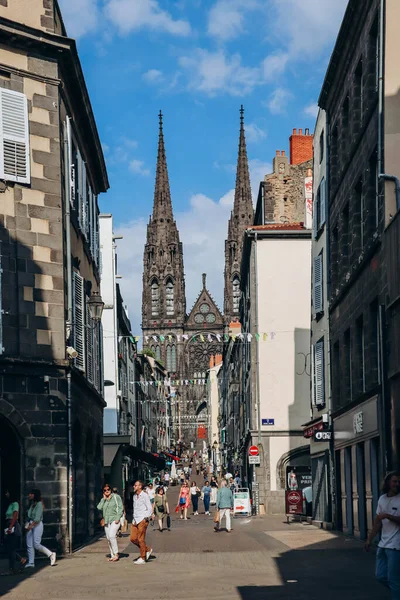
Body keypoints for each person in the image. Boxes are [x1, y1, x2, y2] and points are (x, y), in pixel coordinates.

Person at [365, 471, 400, 599]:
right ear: (388, 483)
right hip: (383, 544)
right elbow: (377, 523)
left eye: (398, 482)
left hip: (396, 546)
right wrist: (369, 539)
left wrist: (388, 516)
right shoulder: (382, 499)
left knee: (394, 579)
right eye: (394, 481)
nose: (397, 484)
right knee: (380, 576)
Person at [24, 489, 56, 568]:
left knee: (36, 544)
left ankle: (51, 554)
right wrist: (27, 525)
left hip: (37, 524)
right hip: (31, 523)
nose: (29, 495)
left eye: (31, 494)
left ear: (34, 495)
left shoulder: (39, 504)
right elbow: (30, 516)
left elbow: (37, 518)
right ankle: (31, 562)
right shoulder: (32, 504)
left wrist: (30, 526)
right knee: (29, 544)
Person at [97, 484, 123, 561]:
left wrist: (118, 518)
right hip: (106, 521)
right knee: (108, 538)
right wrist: (104, 499)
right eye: (104, 490)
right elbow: (99, 507)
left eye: (108, 489)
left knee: (112, 536)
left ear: (111, 490)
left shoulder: (116, 497)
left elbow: (120, 507)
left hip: (115, 519)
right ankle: (112, 555)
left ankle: (116, 554)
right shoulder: (103, 499)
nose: (107, 491)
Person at [130, 480, 153, 565]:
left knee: (140, 539)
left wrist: (145, 518)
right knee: (133, 538)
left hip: (142, 519)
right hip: (135, 519)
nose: (134, 487)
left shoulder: (144, 495)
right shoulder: (134, 496)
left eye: (135, 485)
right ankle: (147, 549)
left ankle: (143, 557)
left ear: (140, 486)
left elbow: (149, 508)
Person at [3, 488, 22, 574]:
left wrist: (11, 526)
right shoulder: (10, 504)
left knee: (11, 547)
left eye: (7, 492)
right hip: (8, 524)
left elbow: (15, 515)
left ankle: (13, 568)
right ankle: (21, 560)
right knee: (9, 547)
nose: (6, 494)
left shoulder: (15, 504)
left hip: (12, 524)